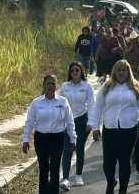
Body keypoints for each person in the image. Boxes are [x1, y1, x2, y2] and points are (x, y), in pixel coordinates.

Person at [89, 60, 139, 194]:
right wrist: (95, 128)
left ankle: (122, 190)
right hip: (110, 128)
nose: (121, 72)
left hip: (130, 128)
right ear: (114, 72)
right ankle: (111, 181)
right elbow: (98, 107)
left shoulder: (136, 87)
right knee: (108, 163)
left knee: (125, 160)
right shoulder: (107, 86)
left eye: (124, 70)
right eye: (119, 70)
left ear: (128, 72)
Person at [21, 74, 77, 194]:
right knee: (44, 168)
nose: (51, 86)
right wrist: (25, 140)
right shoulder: (36, 103)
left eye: (53, 84)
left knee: (55, 168)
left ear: (57, 86)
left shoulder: (63, 102)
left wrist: (73, 139)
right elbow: (29, 122)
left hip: (57, 138)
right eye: (48, 83)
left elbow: (70, 122)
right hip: (41, 139)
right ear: (44, 85)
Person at [58, 62, 95, 190]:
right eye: (72, 70)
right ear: (70, 72)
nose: (74, 72)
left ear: (81, 72)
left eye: (77, 70)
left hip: (82, 120)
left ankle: (78, 175)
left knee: (79, 148)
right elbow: (60, 104)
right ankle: (66, 178)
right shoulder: (64, 86)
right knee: (67, 149)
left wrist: (91, 122)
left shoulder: (87, 86)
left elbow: (91, 105)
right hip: (67, 122)